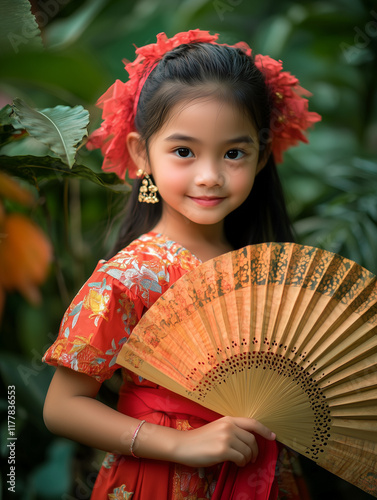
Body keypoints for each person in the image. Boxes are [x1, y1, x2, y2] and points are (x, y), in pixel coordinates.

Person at [42, 29, 320, 500]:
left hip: (264, 474)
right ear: (139, 153)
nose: (209, 176)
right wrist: (180, 443)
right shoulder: (131, 277)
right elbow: (62, 407)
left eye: (234, 153)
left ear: (259, 155)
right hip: (162, 479)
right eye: (184, 151)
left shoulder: (267, 271)